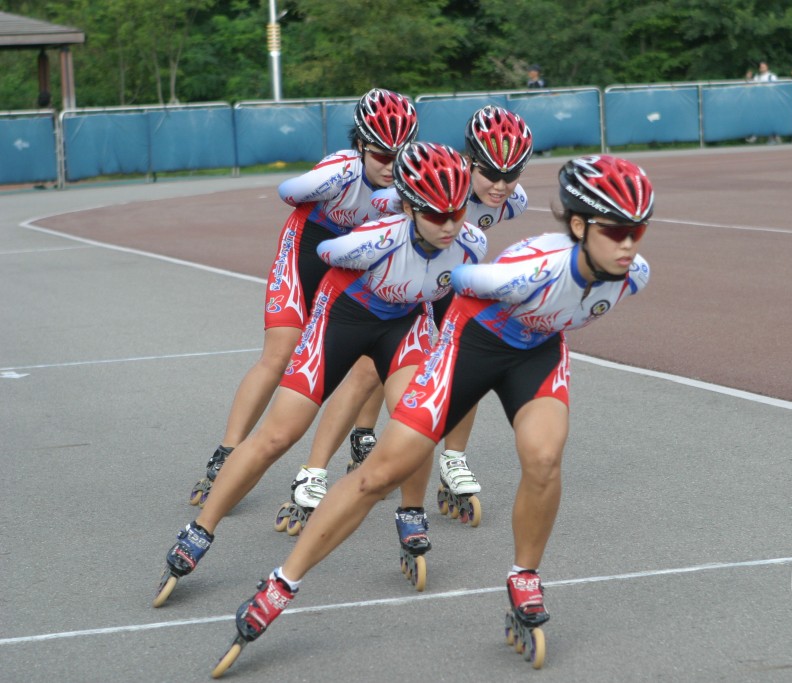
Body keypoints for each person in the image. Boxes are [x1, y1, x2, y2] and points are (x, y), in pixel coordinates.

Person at [208, 154, 654, 676]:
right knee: (379, 476)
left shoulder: (633, 276)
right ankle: (281, 584)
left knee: (544, 458)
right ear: (579, 226)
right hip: (474, 343)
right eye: (618, 229)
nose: (629, 244)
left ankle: (523, 575)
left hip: (536, 354)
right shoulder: (530, 270)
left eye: (638, 230)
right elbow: (458, 280)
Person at [154, 142, 486, 608]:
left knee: (418, 422)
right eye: (435, 214)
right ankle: (200, 529)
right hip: (342, 318)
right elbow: (325, 251)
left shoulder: (472, 244)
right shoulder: (374, 240)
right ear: (410, 205)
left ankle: (411, 512)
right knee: (278, 435)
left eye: (456, 212)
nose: (449, 225)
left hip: (403, 326)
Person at [186, 88, 418, 513]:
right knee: (281, 353)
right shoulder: (342, 170)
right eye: (382, 154)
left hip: (355, 261)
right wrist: (318, 184)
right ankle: (227, 452)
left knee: (376, 347)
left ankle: (362, 436)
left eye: (400, 155)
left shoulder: (408, 184)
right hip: (308, 250)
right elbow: (289, 192)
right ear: (362, 144)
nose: (391, 165)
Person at [367, 105, 535, 527]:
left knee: (465, 359)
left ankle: (453, 459)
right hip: (402, 272)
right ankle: (361, 437)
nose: (500, 185)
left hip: (446, 276)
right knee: (376, 364)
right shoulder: (437, 178)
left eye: (511, 174)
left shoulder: (512, 202)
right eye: (490, 174)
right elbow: (379, 206)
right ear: (469, 160)